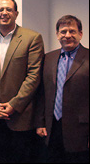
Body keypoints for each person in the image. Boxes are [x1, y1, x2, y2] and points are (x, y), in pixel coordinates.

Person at [0, 0, 45, 163]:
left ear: (16, 13)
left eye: (9, 9)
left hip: (22, 116)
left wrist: (14, 105)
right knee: (1, 158)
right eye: (1, 9)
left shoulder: (32, 38)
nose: (4, 13)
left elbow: (34, 75)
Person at [35, 15, 89, 163]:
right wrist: (40, 123)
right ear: (57, 34)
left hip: (81, 131)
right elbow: (41, 94)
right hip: (51, 129)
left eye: (72, 31)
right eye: (63, 31)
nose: (67, 35)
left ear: (80, 34)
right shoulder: (48, 58)